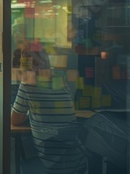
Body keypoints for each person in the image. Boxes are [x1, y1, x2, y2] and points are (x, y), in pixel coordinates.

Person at [11, 41, 86, 173]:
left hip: (51, 162)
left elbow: (15, 120)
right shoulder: (60, 79)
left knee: (19, 163)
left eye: (23, 58)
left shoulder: (28, 82)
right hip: (76, 159)